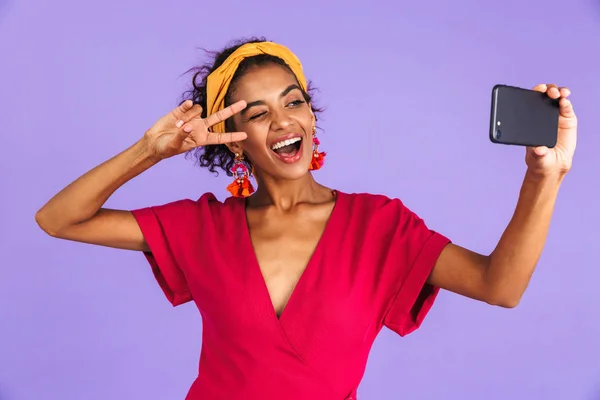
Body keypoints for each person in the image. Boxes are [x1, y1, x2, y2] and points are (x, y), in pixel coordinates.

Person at [35, 37, 578, 400]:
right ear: (236, 143)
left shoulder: (378, 225)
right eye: (256, 113)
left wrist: (543, 176)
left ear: (311, 116)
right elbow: (59, 220)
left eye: (292, 101)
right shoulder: (203, 228)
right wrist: (148, 152)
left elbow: (500, 286)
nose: (282, 121)